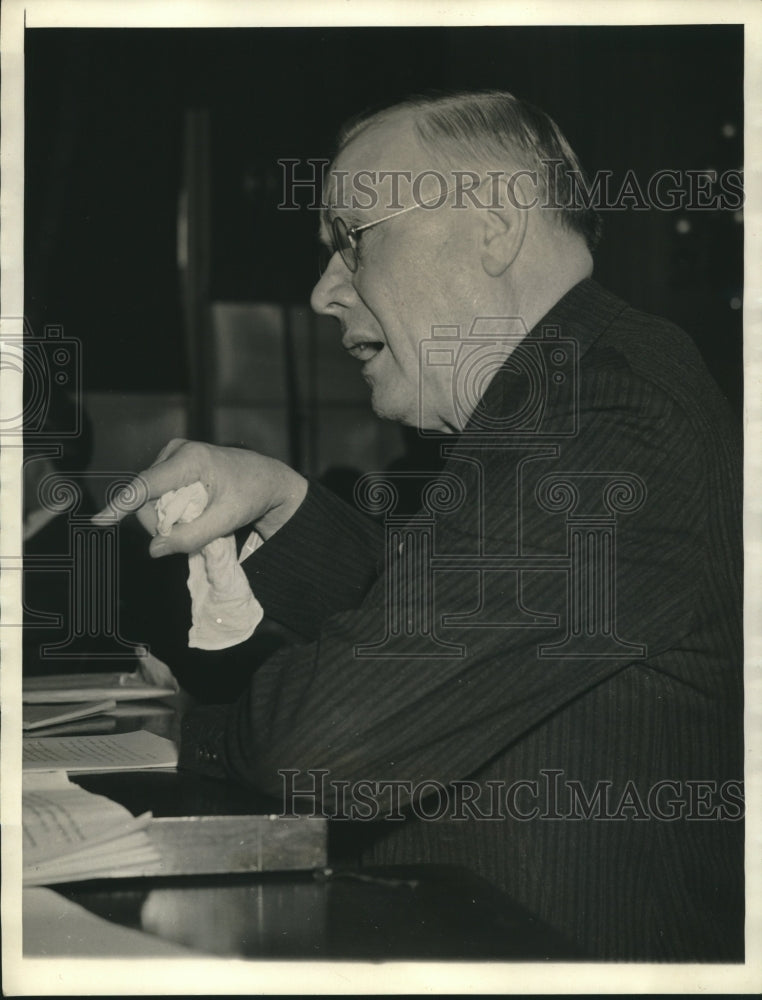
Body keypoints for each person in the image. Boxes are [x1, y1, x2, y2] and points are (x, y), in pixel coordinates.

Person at [97, 91, 743, 961]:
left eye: (353, 240)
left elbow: (330, 743)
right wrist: (287, 497)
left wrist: (196, 712)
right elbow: (447, 618)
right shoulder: (570, 391)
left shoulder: (609, 414)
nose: (326, 292)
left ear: (495, 224)